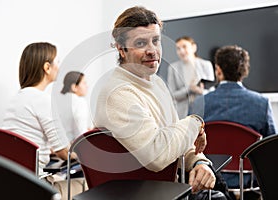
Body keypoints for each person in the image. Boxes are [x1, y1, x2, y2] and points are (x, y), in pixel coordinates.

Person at [94, 6, 224, 198]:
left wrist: (199, 162)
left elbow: (177, 141)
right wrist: (194, 123)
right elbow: (157, 155)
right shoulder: (117, 93)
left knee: (217, 185)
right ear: (121, 49)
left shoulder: (157, 84)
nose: (152, 51)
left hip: (168, 189)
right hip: (140, 194)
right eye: (140, 43)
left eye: (156, 41)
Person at [189, 45, 277, 197]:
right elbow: (272, 148)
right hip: (248, 182)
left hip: (210, 179)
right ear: (243, 72)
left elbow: (189, 144)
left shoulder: (199, 103)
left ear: (218, 70)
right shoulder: (261, 103)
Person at [2, 42, 83, 199]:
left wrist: (49, 149)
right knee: (87, 184)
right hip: (35, 185)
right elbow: (64, 153)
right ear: (47, 67)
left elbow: (23, 140)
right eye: (57, 62)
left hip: (12, 180)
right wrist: (87, 155)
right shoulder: (44, 100)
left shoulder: (16, 98)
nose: (59, 67)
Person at [167, 36, 215, 118]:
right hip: (182, 115)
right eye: (178, 48)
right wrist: (189, 89)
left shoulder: (206, 65)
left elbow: (212, 91)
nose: (181, 51)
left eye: (184, 47)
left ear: (194, 47)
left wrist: (200, 91)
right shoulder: (172, 68)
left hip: (204, 112)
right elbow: (172, 95)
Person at [60, 71, 93, 143]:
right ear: (74, 87)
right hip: (73, 148)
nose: (87, 86)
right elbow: (80, 134)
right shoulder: (80, 102)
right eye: (84, 83)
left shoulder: (60, 102)